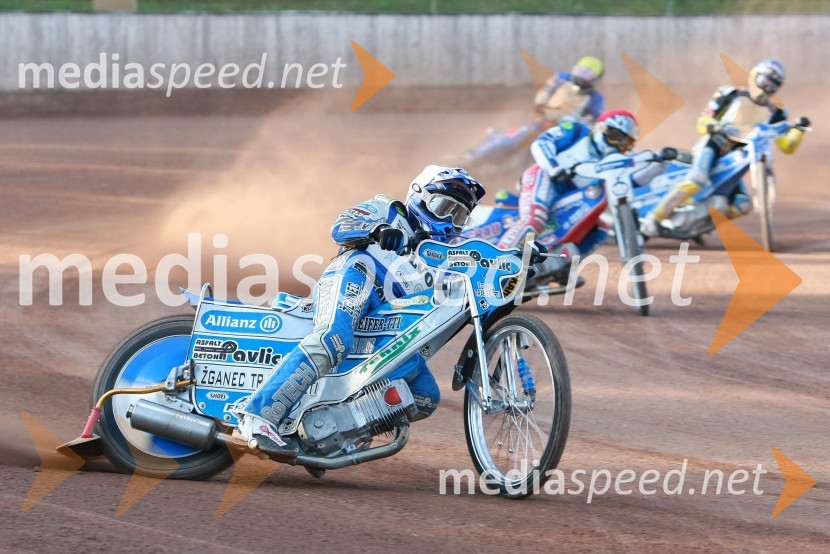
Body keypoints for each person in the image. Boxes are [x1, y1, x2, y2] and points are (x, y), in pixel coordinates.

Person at [233, 166, 485, 454]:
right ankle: (258, 418)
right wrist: (377, 230)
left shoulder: (445, 258)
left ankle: (326, 433)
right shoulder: (390, 211)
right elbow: (341, 225)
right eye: (444, 208)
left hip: (386, 320)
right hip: (356, 274)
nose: (450, 222)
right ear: (419, 197)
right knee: (333, 339)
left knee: (425, 393)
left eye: (460, 215)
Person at [641, 59, 808, 236]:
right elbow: (704, 119)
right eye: (765, 81)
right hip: (714, 146)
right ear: (753, 77)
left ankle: (695, 228)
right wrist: (713, 126)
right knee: (697, 179)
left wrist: (799, 130)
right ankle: (654, 218)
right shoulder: (731, 94)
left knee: (741, 205)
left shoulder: (777, 113)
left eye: (774, 85)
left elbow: (787, 146)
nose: (767, 88)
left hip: (739, 157)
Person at [496, 109, 639, 283]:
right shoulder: (576, 130)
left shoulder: (615, 161)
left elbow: (633, 181)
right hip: (545, 176)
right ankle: (495, 262)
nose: (617, 145)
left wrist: (660, 164)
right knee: (535, 219)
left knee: (599, 229)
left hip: (572, 196)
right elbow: (541, 143)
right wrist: (554, 168)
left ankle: (554, 267)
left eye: (625, 143)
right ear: (601, 129)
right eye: (616, 136)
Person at [534, 56, 606, 126]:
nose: (581, 77)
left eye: (588, 75)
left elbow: (597, 120)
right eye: (580, 71)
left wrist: (581, 122)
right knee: (528, 131)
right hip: (547, 118)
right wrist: (541, 103)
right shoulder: (561, 77)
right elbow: (546, 91)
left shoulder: (595, 97)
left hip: (570, 129)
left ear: (595, 79)